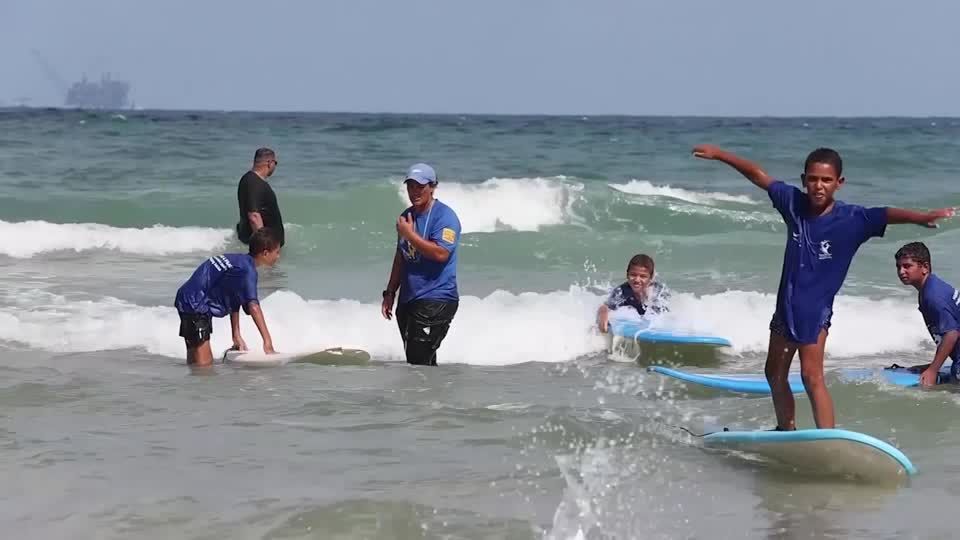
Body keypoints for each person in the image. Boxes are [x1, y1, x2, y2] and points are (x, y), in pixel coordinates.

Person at [692, 144, 953, 430]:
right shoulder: (793, 203)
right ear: (804, 180)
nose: (819, 186)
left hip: (815, 313)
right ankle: (785, 428)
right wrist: (719, 154)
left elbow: (886, 213)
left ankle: (827, 436)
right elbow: (758, 175)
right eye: (813, 179)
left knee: (811, 376)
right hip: (785, 308)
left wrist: (922, 217)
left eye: (826, 180)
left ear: (839, 183)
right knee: (773, 373)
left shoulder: (852, 219)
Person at [380, 163, 461, 366]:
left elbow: (441, 253)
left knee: (418, 361)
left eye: (420, 187)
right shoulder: (406, 217)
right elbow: (401, 256)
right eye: (411, 186)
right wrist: (390, 292)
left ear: (432, 187)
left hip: (437, 299)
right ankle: (436, 396)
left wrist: (409, 234)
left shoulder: (445, 217)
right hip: (408, 301)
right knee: (420, 362)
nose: (415, 192)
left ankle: (424, 397)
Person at [175, 227, 282, 367]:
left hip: (188, 299)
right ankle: (199, 386)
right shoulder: (248, 271)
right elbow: (254, 307)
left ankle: (192, 384)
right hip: (196, 305)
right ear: (265, 253)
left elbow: (234, 300)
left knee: (194, 357)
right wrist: (268, 343)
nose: (278, 256)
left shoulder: (237, 261)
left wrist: (236, 335)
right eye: (277, 252)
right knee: (205, 366)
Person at [894, 241, 960, 386]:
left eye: (907, 266)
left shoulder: (933, 295)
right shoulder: (929, 288)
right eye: (898, 267)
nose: (901, 271)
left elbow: (952, 333)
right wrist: (932, 366)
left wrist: (933, 370)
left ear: (925, 267)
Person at [597, 253, 671, 333]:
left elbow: (665, 317)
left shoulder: (658, 292)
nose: (637, 280)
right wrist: (603, 317)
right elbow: (605, 307)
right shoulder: (622, 291)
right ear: (627, 274)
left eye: (643, 276)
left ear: (651, 278)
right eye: (633, 275)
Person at [236, 147, 284, 247]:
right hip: (263, 249)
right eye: (276, 163)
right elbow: (254, 216)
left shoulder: (251, 180)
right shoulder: (254, 182)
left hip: (267, 247)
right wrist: (264, 247)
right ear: (270, 163)